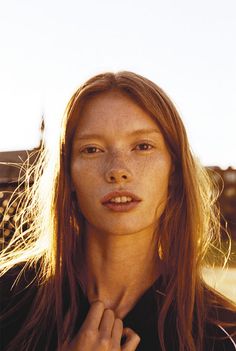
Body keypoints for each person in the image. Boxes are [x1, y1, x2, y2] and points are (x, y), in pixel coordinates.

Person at [0, 71, 236, 351]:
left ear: (173, 172)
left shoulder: (222, 333)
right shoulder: (8, 298)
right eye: (92, 149)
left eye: (142, 146)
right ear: (68, 176)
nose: (118, 171)